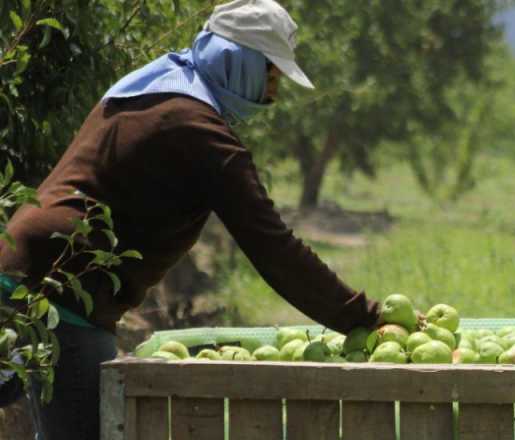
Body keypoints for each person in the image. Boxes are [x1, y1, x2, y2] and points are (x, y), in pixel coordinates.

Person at [0, 1, 380, 438]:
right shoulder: (198, 129)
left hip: (26, 267)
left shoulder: (156, 87)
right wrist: (364, 317)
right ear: (238, 60)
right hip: (65, 292)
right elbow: (273, 246)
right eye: (270, 72)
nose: (273, 93)